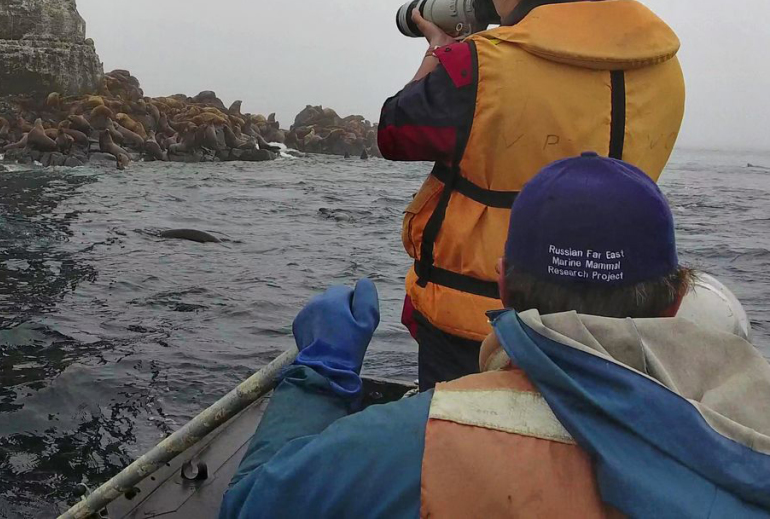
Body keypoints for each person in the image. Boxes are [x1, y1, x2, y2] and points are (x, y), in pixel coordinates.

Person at [221, 153, 770, 518]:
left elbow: (251, 505)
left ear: (503, 286)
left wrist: (320, 375)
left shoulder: (416, 441)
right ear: (678, 302)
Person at [378, 0, 686, 389]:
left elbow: (394, 132)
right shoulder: (663, 65)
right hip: (619, 317)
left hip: (480, 317)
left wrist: (440, 48)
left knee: (465, 450)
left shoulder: (479, 64)